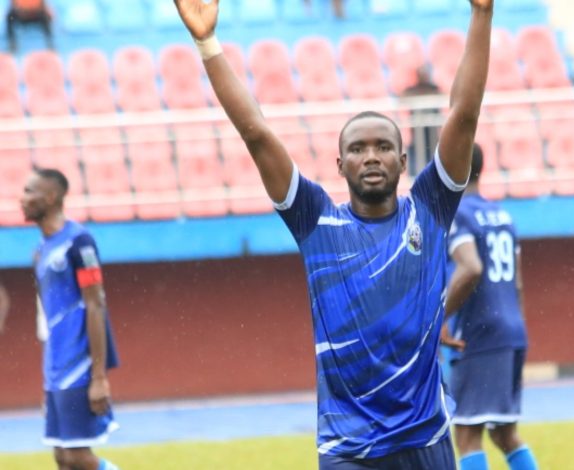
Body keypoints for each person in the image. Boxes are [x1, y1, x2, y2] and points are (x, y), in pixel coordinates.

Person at [174, 0, 493, 467]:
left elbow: (463, 114)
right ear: (339, 164)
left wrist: (481, 14)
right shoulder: (315, 220)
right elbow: (257, 134)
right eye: (358, 148)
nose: (371, 156)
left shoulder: (430, 209)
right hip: (348, 449)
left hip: (425, 440)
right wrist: (207, 43)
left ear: (403, 163)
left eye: (384, 147)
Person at [441, 144, 537, 470]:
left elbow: (471, 268)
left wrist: (436, 316)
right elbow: (519, 283)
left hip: (480, 334)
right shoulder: (503, 216)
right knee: (505, 434)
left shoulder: (459, 215)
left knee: (467, 434)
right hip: (512, 330)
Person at [20, 168, 120, 470]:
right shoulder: (40, 252)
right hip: (56, 367)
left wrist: (99, 377)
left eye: (29, 191)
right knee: (62, 457)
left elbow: (95, 305)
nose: (21, 199)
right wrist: (48, 379)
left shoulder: (79, 243)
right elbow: (47, 318)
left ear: (51, 197)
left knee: (77, 455)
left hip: (80, 364)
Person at [402, 65, 442, 176]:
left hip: (432, 134)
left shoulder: (434, 89)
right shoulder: (412, 90)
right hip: (416, 135)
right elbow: (403, 97)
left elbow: (441, 96)